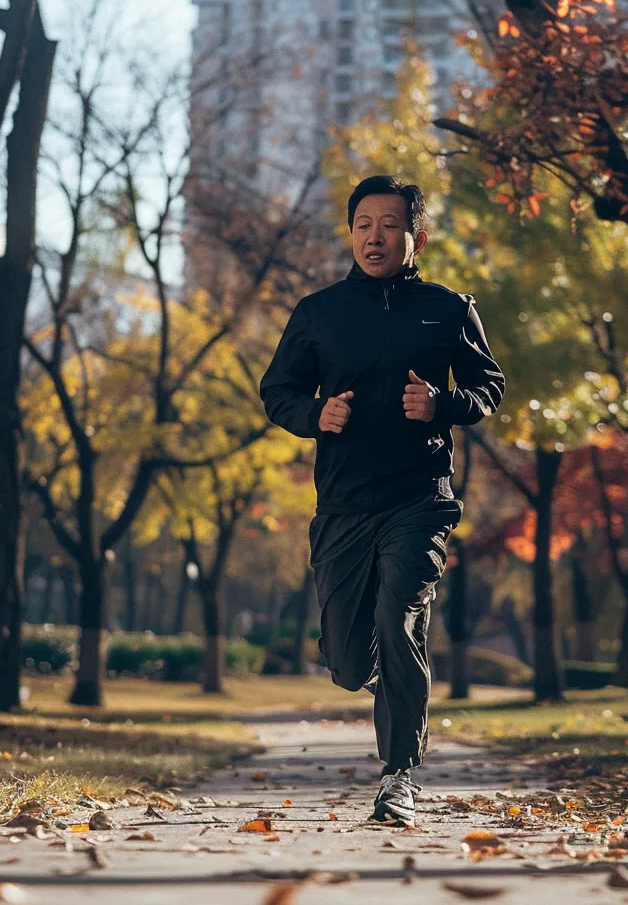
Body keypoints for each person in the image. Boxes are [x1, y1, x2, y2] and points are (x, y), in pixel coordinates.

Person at [259, 174, 505, 827]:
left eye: (389, 224)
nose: (375, 236)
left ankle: (400, 776)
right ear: (350, 232)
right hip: (341, 505)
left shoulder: (449, 308)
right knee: (345, 659)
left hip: (419, 498)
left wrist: (442, 405)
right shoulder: (318, 313)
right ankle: (379, 668)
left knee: (399, 615)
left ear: (415, 236)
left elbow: (487, 385)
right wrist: (316, 416)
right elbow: (277, 391)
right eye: (363, 223)